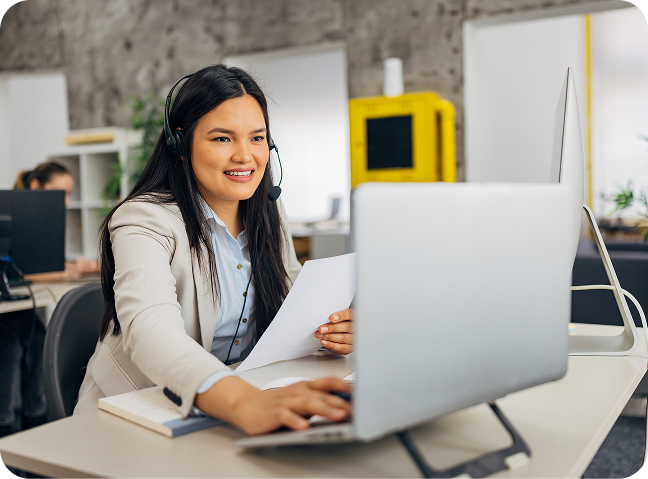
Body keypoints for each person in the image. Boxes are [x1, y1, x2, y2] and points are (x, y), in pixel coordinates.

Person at [74, 65, 354, 435]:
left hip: (229, 404)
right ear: (180, 142)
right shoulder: (143, 219)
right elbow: (151, 329)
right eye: (223, 139)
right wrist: (243, 401)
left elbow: (291, 293)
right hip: (136, 413)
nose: (245, 156)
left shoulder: (268, 211)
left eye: (257, 138)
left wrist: (333, 329)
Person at [14, 162, 100, 282]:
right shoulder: (17, 223)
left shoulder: (45, 225)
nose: (66, 203)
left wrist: (84, 267)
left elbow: (49, 265)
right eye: (61, 194)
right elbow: (22, 273)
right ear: (35, 186)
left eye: (68, 195)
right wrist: (71, 272)